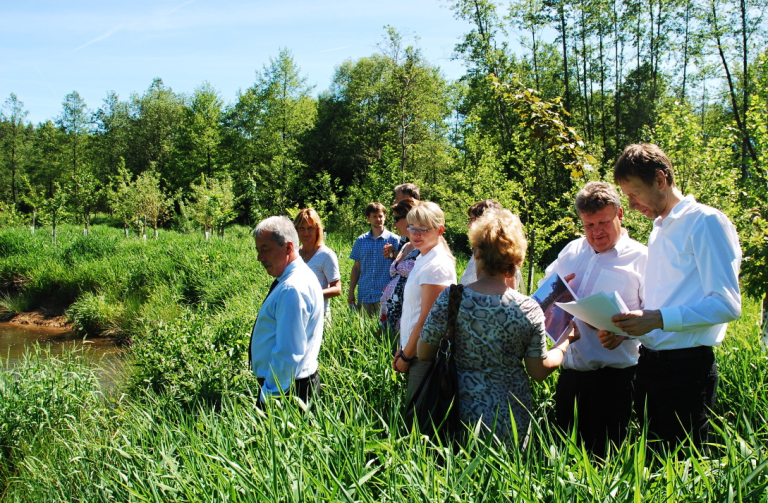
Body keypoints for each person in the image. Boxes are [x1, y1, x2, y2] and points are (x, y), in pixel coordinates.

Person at [603, 143, 742, 448]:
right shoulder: (658, 229)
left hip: (686, 372)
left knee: (681, 473)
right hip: (651, 366)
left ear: (661, 180)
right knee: (654, 469)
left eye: (635, 192)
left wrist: (658, 319)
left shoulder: (705, 222)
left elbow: (727, 305)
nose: (632, 203)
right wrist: (629, 330)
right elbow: (666, 303)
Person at [418, 209, 579, 443]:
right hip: (511, 419)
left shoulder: (452, 298)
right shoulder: (528, 308)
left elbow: (424, 353)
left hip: (458, 413)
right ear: (515, 261)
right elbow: (539, 371)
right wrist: (566, 341)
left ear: (476, 254)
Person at [541, 182, 647, 457]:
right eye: (588, 225)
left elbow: (654, 317)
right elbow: (542, 295)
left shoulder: (641, 259)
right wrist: (557, 291)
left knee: (605, 462)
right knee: (563, 459)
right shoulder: (572, 251)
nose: (596, 232)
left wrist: (623, 333)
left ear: (620, 214)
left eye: (604, 222)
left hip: (614, 379)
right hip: (570, 374)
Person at [250, 216, 324, 405]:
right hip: (290, 384)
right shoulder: (295, 278)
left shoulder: (293, 288)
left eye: (265, 250)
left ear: (288, 247)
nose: (260, 258)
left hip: (286, 390)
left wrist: (270, 394)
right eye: (258, 251)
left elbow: (288, 352)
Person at [392, 202, 457, 400]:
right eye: (411, 227)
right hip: (414, 350)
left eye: (423, 229)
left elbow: (427, 321)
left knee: (417, 420)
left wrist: (406, 355)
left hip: (424, 356)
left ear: (440, 230)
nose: (415, 234)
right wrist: (403, 348)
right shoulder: (423, 258)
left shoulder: (437, 266)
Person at [348, 202, 401, 316]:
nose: (378, 219)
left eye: (380, 216)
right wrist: (351, 291)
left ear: (385, 217)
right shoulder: (361, 240)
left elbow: (399, 266)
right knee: (364, 330)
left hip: (385, 293)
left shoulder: (394, 240)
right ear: (368, 218)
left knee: (384, 329)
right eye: (374, 216)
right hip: (365, 293)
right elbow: (356, 268)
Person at [459, 199, 526, 289]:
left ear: (484, 221)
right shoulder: (479, 250)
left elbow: (510, 295)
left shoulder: (503, 258)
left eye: (472, 219)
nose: (469, 224)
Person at [380, 198, 420, 336]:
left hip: (407, 314)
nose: (394, 224)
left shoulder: (424, 249)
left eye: (397, 219)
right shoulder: (405, 245)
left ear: (409, 218)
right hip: (391, 312)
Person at [294, 208, 341, 319]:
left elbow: (337, 289)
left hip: (318, 315)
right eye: (302, 228)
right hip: (296, 314)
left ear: (317, 230)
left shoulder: (326, 255)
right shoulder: (295, 254)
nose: (306, 233)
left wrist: (312, 295)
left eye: (310, 228)